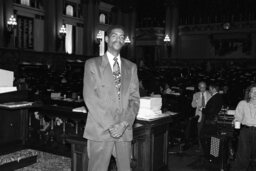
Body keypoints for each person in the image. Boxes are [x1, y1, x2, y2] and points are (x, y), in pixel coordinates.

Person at [82, 25, 140, 171]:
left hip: (124, 129)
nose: (118, 39)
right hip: (101, 128)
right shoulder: (92, 64)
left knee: (125, 168)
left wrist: (123, 124)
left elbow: (134, 99)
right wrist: (111, 126)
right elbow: (90, 98)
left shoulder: (131, 67)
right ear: (107, 39)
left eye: (122, 37)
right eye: (114, 35)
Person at [231, 84, 256, 171]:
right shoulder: (243, 103)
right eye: (252, 92)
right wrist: (236, 122)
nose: (255, 94)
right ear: (249, 93)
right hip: (245, 131)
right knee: (242, 155)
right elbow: (238, 117)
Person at [191, 81, 211, 151]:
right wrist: (196, 100)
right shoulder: (195, 94)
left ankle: (207, 147)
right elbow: (193, 105)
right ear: (199, 87)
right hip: (199, 115)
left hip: (207, 115)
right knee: (199, 131)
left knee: (207, 131)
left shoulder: (209, 94)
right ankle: (201, 147)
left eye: (204, 87)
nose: (203, 89)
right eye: (202, 87)